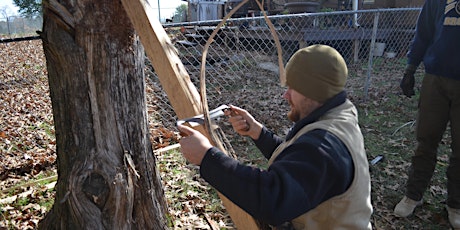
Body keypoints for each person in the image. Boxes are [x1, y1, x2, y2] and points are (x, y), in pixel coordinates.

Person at [178, 44, 373, 229]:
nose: (285, 95)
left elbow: (273, 198)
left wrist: (207, 157)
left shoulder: (324, 147)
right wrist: (259, 134)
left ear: (313, 93)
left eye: (292, 88)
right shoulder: (338, 114)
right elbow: (299, 165)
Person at [393, 0, 460, 228]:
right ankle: (414, 194)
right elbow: (423, 32)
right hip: (436, 78)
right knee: (426, 140)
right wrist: (410, 68)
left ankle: (456, 203)